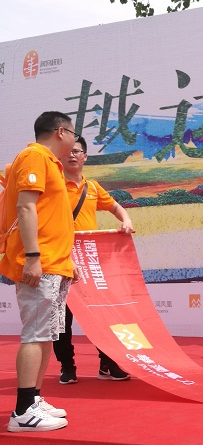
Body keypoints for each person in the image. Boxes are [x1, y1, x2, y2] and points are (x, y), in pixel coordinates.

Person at [2, 111, 78, 432]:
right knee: (35, 333)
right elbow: (25, 206)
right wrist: (33, 256)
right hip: (40, 263)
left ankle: (32, 399)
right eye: (73, 134)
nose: (75, 141)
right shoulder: (34, 156)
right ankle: (22, 412)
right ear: (60, 132)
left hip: (54, 263)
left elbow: (50, 216)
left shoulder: (51, 163)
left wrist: (66, 262)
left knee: (46, 335)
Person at [54, 135, 134, 384]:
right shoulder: (53, 186)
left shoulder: (93, 188)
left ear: (85, 157)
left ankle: (107, 364)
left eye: (77, 151)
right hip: (60, 261)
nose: (72, 155)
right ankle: (67, 367)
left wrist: (126, 220)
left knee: (102, 316)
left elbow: (116, 207)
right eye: (68, 151)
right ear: (60, 157)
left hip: (89, 264)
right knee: (62, 321)